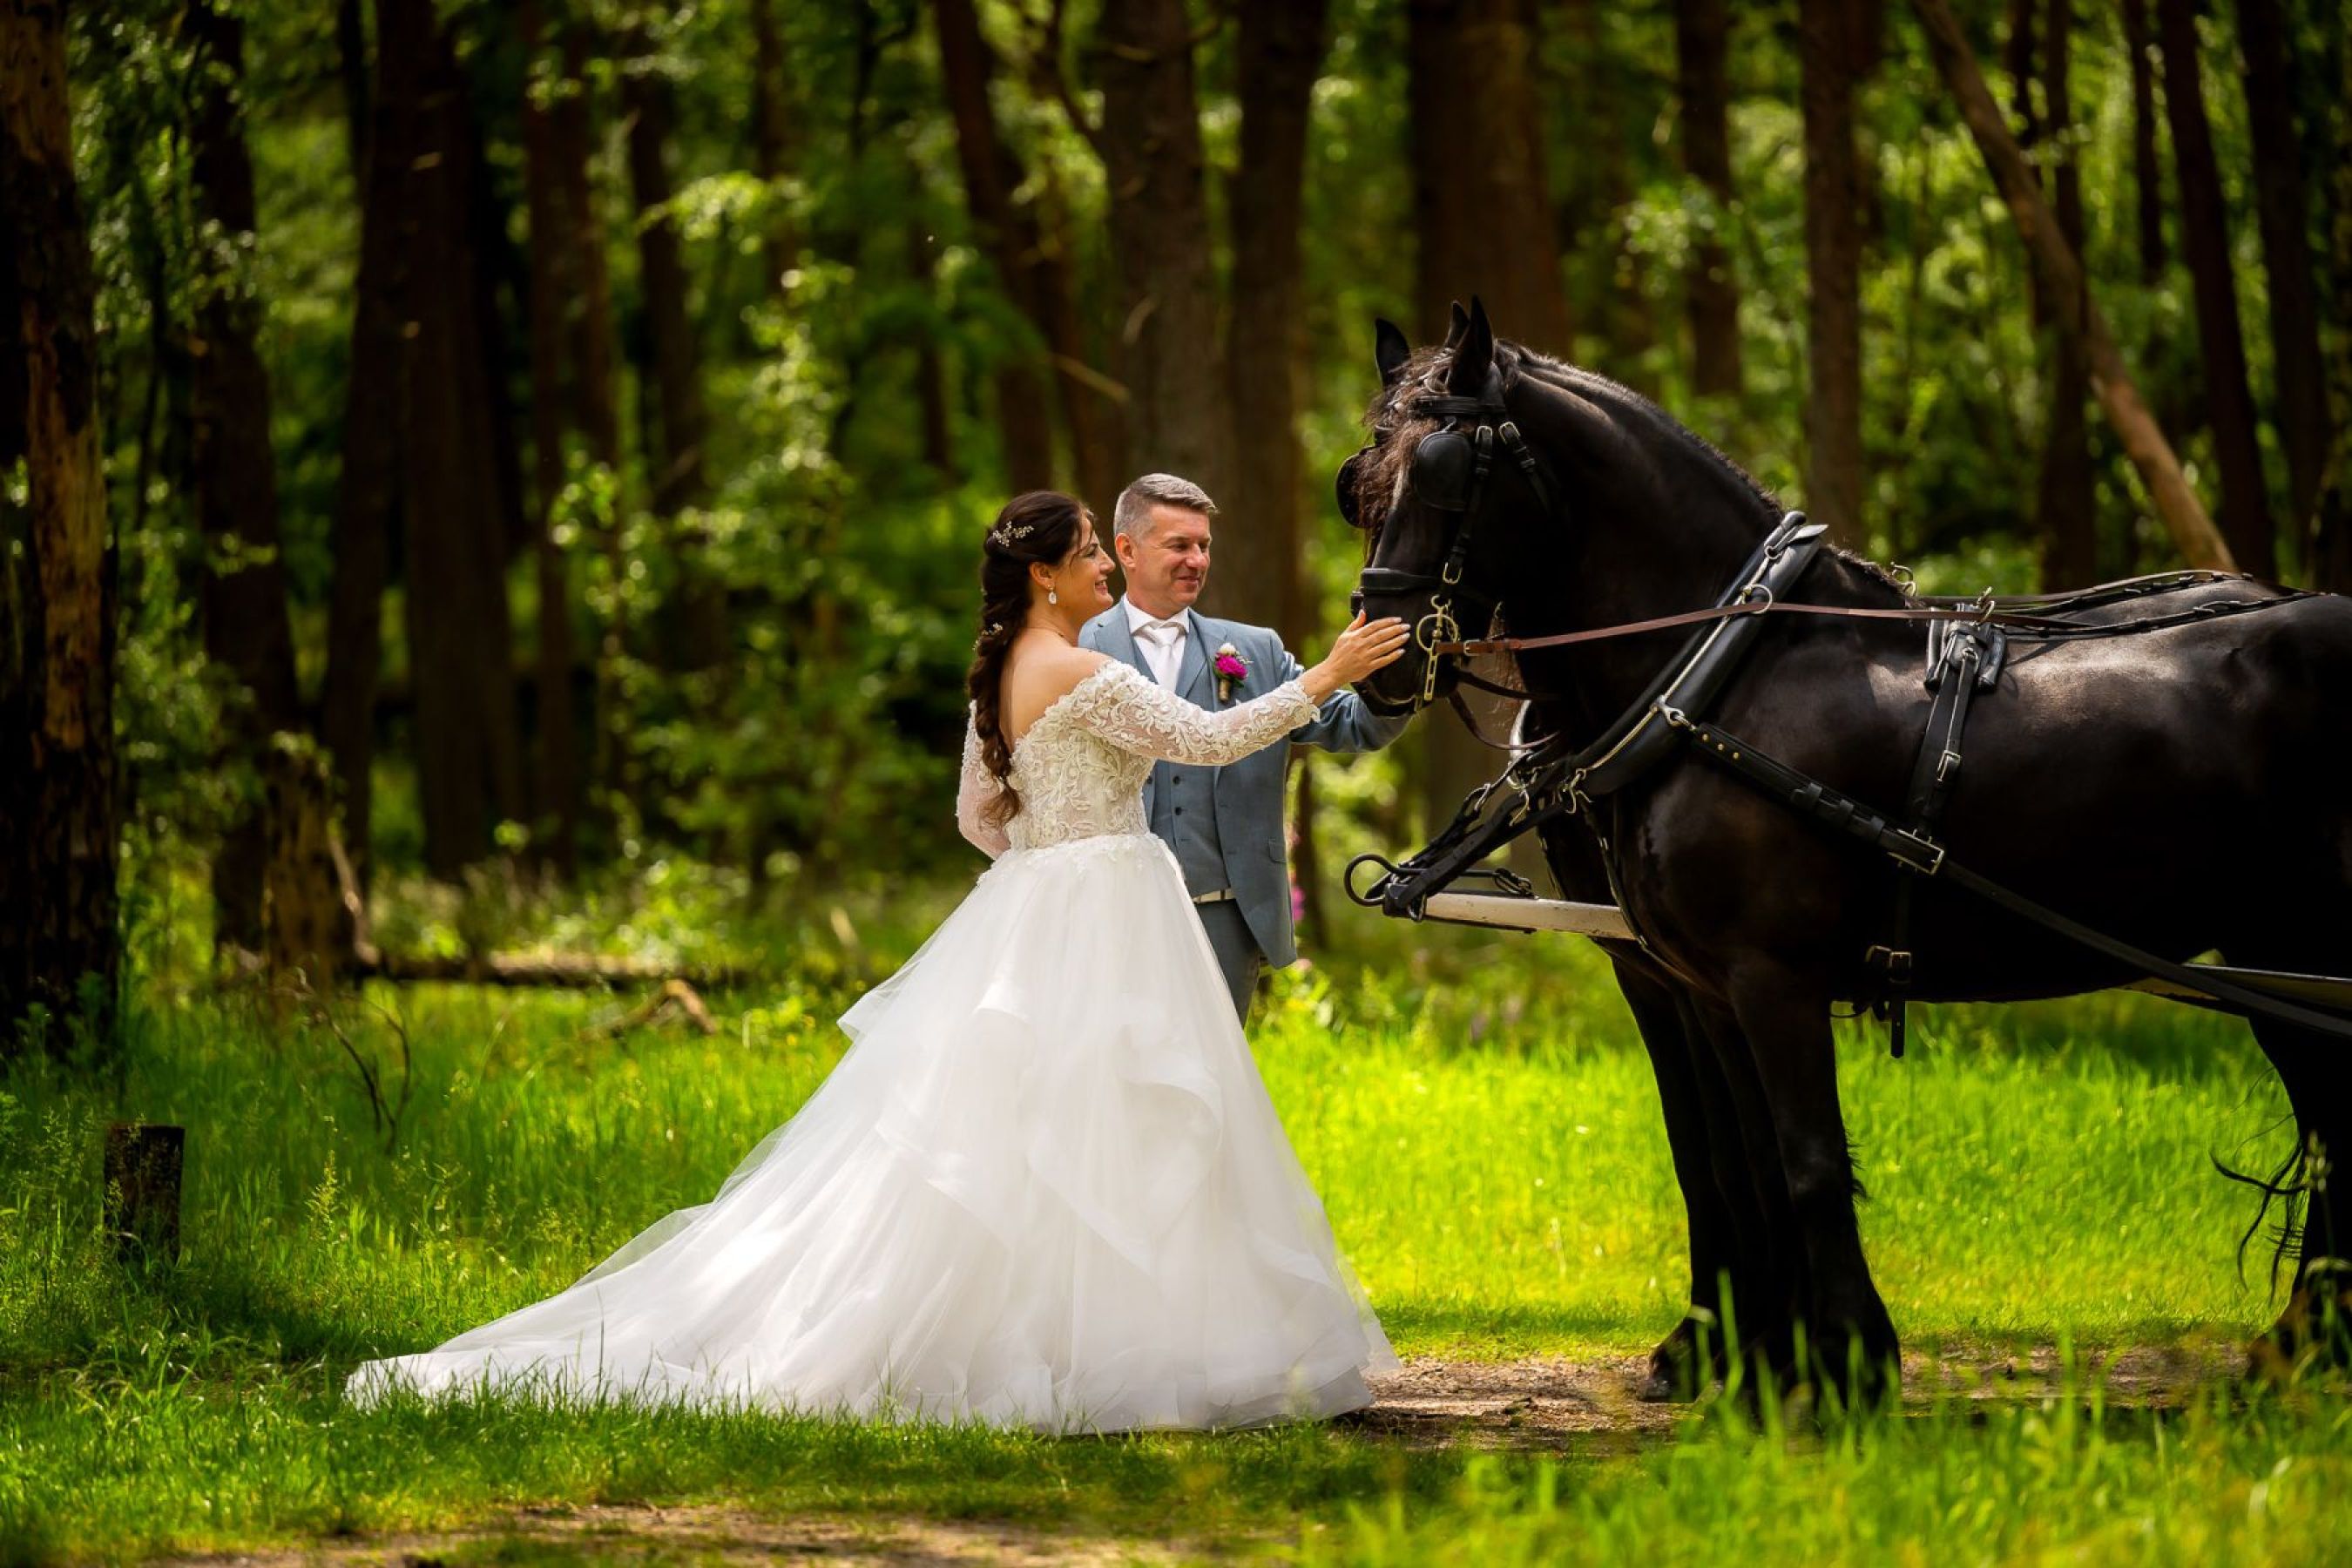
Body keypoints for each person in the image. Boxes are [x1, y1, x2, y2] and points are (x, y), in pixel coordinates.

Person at [344, 490, 1412, 1434]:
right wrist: (1329, 673)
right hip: (1103, 907)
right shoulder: (1083, 671)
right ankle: (1107, 1345)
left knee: (1051, 1131)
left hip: (1051, 902)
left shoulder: (1007, 674)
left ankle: (1080, 1334)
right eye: (1091, 550)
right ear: (1047, 575)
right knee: (1111, 1124)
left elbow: (978, 817)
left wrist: (1053, 862)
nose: (1105, 566)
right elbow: (1213, 740)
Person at [1082, 474, 1409, 1018]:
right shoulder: (1077, 649)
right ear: (1126, 550)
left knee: (1215, 1085)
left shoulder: (1255, 650)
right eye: (1179, 545)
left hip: (1226, 919)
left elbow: (1356, 727)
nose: (1196, 560)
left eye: (1204, 545)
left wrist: (1406, 673)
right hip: (1110, 914)